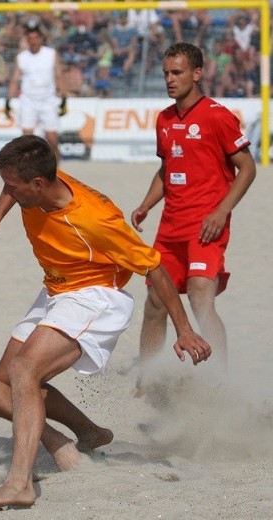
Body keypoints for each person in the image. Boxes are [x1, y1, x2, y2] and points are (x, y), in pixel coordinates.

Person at [0, 135, 212, 511]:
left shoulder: (96, 221)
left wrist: (184, 329)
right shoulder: (36, 182)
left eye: (12, 186)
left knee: (25, 370)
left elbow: (156, 268)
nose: (7, 190)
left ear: (37, 185)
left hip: (95, 297)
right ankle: (89, 431)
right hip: (56, 289)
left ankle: (20, 482)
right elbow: (11, 189)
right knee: (2, 385)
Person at [131, 42, 256, 394]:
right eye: (166, 74)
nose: (170, 80)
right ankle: (147, 381)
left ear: (197, 73)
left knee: (201, 295)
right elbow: (166, 169)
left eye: (177, 73)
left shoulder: (217, 115)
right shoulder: (164, 119)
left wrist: (222, 210)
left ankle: (220, 382)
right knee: (155, 302)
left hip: (206, 226)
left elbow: (247, 168)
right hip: (170, 227)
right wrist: (146, 204)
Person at [5, 19, 66, 162]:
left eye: (35, 37)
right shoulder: (21, 57)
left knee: (52, 138)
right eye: (30, 38)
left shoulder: (51, 54)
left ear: (41, 38)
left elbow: (59, 75)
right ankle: (29, 170)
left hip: (48, 99)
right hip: (28, 100)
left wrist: (64, 98)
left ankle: (57, 168)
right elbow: (15, 79)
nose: (33, 41)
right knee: (26, 139)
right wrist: (7, 100)